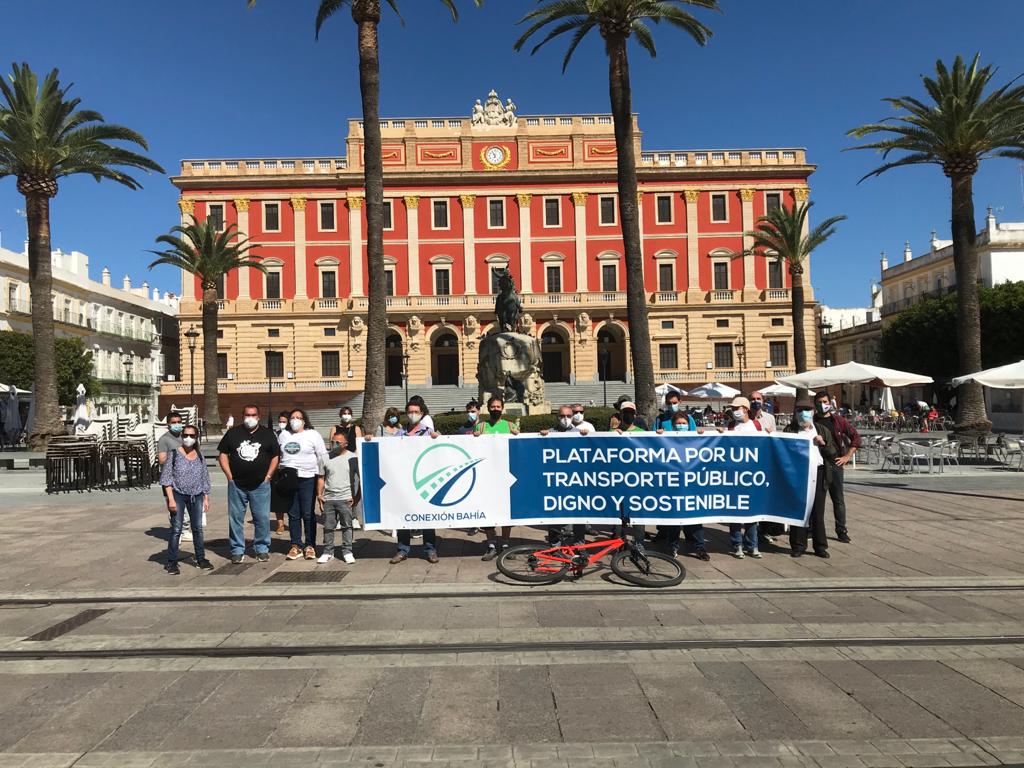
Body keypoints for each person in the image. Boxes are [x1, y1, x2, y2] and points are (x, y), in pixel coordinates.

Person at [217, 404, 280, 564]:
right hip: (237, 484)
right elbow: (223, 454)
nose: (250, 418)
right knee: (236, 518)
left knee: (262, 518)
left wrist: (268, 476)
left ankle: (261, 548)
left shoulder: (267, 434)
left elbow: (275, 456)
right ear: (242, 416)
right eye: (247, 415)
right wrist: (229, 476)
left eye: (253, 415)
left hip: (261, 485)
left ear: (259, 417)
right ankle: (237, 549)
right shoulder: (233, 433)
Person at [390, 396, 441, 564]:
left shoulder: (427, 431)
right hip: (404, 482)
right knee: (403, 517)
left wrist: (438, 437)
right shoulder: (399, 433)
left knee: (426, 517)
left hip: (423, 481)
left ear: (422, 413)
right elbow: (388, 451)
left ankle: (430, 550)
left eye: (416, 412)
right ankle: (402, 550)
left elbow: (439, 449)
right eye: (410, 412)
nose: (412, 414)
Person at [160, 423, 213, 574]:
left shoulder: (200, 456)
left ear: (197, 438)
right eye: (185, 435)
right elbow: (166, 479)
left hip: (196, 495)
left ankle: (201, 558)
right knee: (176, 529)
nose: (188, 438)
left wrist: (206, 497)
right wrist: (170, 500)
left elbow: (205, 478)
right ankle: (172, 562)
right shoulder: (174, 454)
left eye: (192, 436)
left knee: (197, 528)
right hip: (178, 494)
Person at [785, 398, 835, 558]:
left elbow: (832, 453)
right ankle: (798, 546)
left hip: (819, 474)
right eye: (799, 411)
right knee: (798, 510)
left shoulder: (821, 430)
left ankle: (820, 546)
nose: (803, 414)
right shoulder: (790, 430)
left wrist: (823, 443)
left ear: (813, 412)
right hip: (799, 475)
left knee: (817, 512)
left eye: (806, 410)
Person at [659, 411, 710, 561]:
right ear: (673, 426)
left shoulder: (695, 438)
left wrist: (711, 434)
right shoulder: (666, 439)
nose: (681, 426)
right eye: (678, 424)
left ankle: (700, 548)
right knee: (674, 521)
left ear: (689, 425)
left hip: (692, 487)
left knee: (694, 520)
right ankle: (672, 546)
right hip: (673, 487)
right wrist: (658, 435)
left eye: (684, 424)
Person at [278, 409, 328, 561]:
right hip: (289, 478)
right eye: (292, 418)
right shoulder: (283, 435)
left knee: (307, 513)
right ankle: (296, 545)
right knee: (293, 513)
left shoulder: (313, 434)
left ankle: (310, 545)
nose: (295, 420)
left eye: (298, 418)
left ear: (304, 420)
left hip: (308, 478)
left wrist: (323, 478)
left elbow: (322, 456)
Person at [814, 391, 860, 543]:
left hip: (834, 463)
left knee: (838, 499)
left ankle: (841, 530)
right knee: (815, 500)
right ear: (815, 404)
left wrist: (847, 456)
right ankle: (812, 529)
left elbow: (855, 438)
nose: (822, 404)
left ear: (830, 403)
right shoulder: (811, 421)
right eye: (819, 402)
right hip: (816, 464)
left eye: (825, 401)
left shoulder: (838, 421)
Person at [476, 395, 518, 560]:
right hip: (486, 476)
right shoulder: (481, 426)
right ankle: (491, 545)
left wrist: (517, 435)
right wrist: (475, 437)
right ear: (488, 408)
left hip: (505, 475)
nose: (495, 409)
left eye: (498, 407)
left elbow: (519, 445)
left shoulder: (509, 425)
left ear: (502, 408)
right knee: (487, 511)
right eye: (492, 407)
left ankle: (506, 544)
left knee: (506, 511)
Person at [725, 396, 763, 558]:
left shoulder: (755, 425)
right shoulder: (732, 425)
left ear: (745, 409)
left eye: (736, 408)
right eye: (733, 409)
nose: (734, 412)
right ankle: (737, 545)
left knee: (751, 512)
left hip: (751, 475)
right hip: (734, 476)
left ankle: (752, 545)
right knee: (734, 512)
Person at [317, 433, 361, 564]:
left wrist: (357, 497)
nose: (334, 444)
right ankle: (327, 551)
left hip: (346, 498)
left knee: (347, 526)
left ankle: (347, 551)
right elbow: (321, 478)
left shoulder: (353, 458)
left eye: (338, 442)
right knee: (328, 527)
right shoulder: (325, 458)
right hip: (329, 498)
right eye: (333, 441)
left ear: (345, 444)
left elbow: (361, 479)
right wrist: (319, 495)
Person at [157, 412, 194, 541]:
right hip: (171, 479)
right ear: (168, 424)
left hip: (186, 478)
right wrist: (177, 455)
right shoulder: (164, 439)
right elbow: (161, 459)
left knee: (188, 506)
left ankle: (184, 529)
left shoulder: (185, 437)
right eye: (174, 422)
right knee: (175, 506)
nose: (177, 424)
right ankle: (178, 531)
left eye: (179, 422)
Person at [269, 411, 293, 535]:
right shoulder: (275, 434)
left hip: (289, 468)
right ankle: (280, 523)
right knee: (277, 497)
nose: (282, 423)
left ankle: (293, 521)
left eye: (284, 421)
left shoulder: (291, 434)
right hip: (277, 469)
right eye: (280, 421)